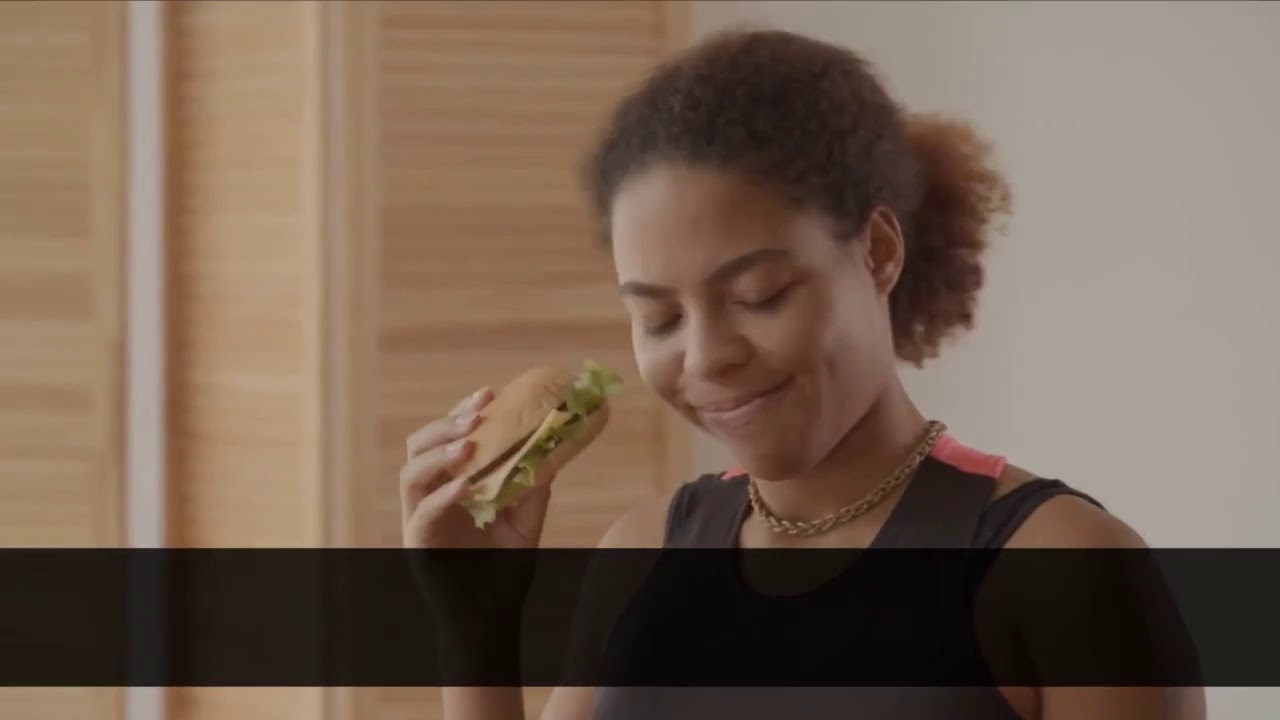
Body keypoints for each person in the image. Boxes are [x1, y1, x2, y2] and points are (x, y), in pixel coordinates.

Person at [398, 28, 1206, 720]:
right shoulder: (641, 557)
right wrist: (475, 623)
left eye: (758, 295)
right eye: (660, 318)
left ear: (877, 251)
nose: (706, 356)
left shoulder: (1060, 567)